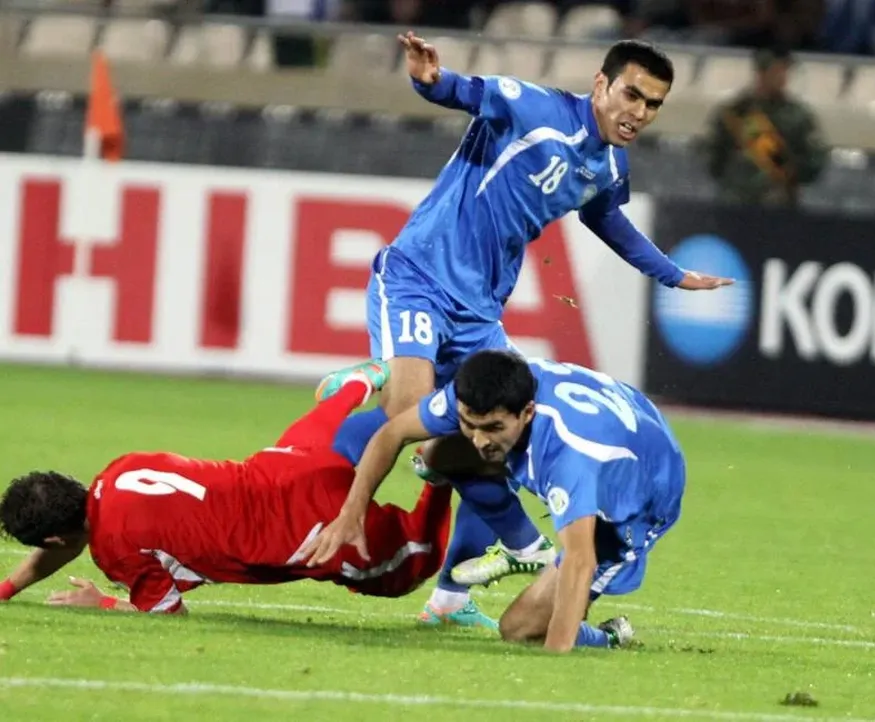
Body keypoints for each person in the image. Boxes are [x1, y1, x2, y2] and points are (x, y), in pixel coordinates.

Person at [326, 31, 732, 629]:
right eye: (632, 95)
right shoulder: (539, 111)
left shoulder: (609, 164)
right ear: (601, 84)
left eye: (653, 104)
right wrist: (429, 79)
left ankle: (450, 599)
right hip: (419, 277)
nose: (640, 113)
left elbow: (607, 220)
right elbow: (465, 92)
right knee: (412, 413)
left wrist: (671, 275)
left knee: (503, 433)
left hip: (480, 313)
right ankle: (520, 540)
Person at [307, 350, 687, 652]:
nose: (480, 439)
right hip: (626, 418)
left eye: (493, 429)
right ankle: (523, 545)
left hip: (644, 491)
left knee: (518, 629)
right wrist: (350, 514)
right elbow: (392, 433)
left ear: (527, 412)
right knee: (437, 451)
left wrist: (557, 658)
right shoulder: (481, 389)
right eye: (470, 424)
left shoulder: (570, 461)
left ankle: (608, 638)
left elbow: (579, 559)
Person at [0, 368, 457, 613]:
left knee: (414, 562)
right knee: (389, 421)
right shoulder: (120, 468)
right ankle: (359, 386)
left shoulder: (114, 549)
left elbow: (164, 612)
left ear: (56, 537)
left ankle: (442, 468)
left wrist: (102, 601)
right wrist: (7, 588)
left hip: (305, 530)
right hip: (290, 463)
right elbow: (71, 534)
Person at [704, 44, 828, 207]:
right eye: (777, 71)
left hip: (779, 204)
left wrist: (790, 174)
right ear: (761, 73)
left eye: (785, 71)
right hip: (735, 201)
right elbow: (713, 157)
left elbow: (814, 160)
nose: (783, 77)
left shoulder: (798, 116)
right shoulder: (736, 112)